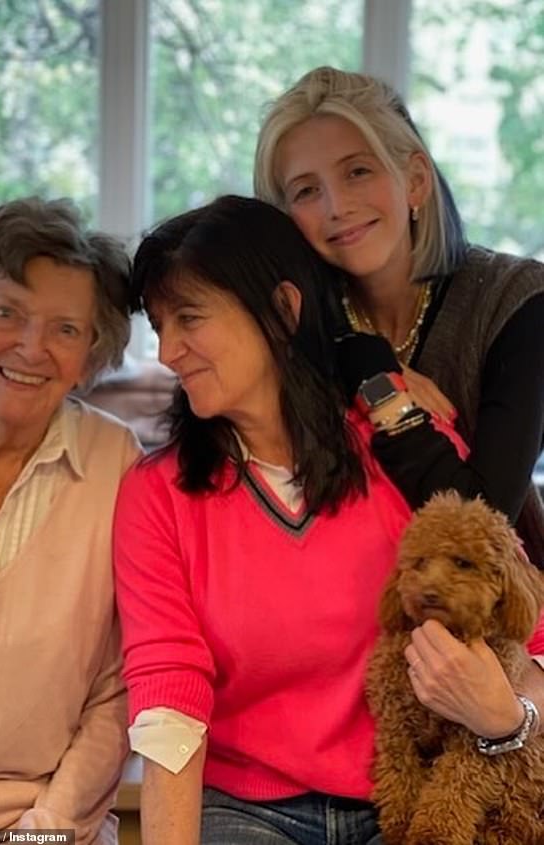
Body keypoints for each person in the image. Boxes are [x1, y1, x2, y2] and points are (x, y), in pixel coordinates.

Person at [113, 195, 544, 845]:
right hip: (246, 806)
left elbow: (530, 639)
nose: (167, 350)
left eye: (188, 318)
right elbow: (168, 696)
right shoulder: (155, 494)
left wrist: (510, 716)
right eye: (157, 324)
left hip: (405, 794)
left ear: (284, 309)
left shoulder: (407, 451)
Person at [0, 197, 141, 842]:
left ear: (93, 352)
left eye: (65, 329)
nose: (32, 348)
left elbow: (119, 686)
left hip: (49, 828)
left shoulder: (117, 463)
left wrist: (47, 829)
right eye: (7, 314)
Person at [254, 65, 544, 568]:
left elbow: (478, 521)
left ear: (414, 181)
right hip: (344, 609)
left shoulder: (516, 299)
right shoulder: (295, 322)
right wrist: (358, 357)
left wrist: (372, 381)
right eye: (305, 190)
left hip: (500, 612)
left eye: (357, 172)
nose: (336, 206)